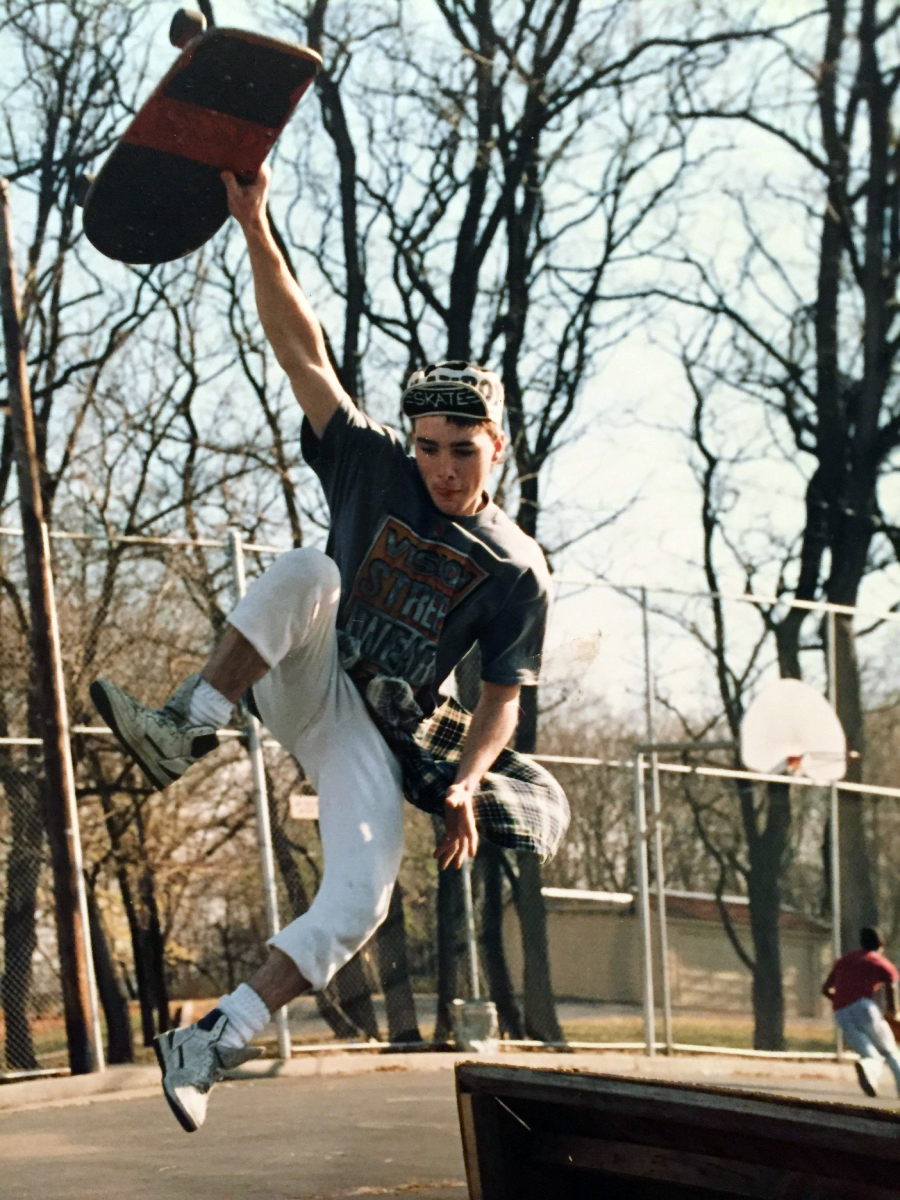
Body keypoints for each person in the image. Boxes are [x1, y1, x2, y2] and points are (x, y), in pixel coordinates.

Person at [89, 164, 569, 1134]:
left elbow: (501, 697)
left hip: (374, 736)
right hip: (305, 673)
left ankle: (209, 1042)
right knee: (312, 569)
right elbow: (300, 349)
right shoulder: (371, 460)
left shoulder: (517, 567)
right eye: (428, 445)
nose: (438, 467)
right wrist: (255, 223)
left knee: (363, 901)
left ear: (498, 448)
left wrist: (469, 780)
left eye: (460, 451)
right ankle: (190, 723)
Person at [822, 926, 900, 1097]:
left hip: (840, 1012)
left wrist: (841, 1001)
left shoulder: (844, 960)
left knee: (869, 1054)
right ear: (881, 943)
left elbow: (826, 989)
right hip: (864, 1007)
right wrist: (892, 1011)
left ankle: (868, 1071)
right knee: (889, 1050)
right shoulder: (880, 962)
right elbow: (890, 986)